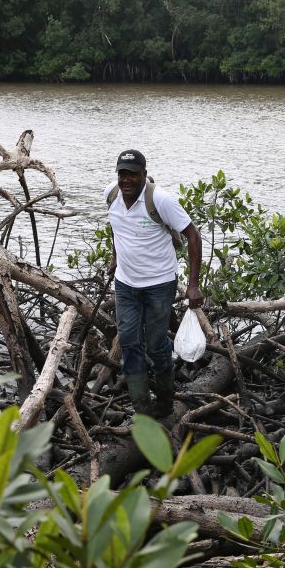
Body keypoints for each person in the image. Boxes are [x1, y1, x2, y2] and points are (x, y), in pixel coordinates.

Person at [104, 149, 203, 419]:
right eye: (122, 173)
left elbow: (193, 236)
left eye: (133, 174)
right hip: (125, 285)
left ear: (144, 175)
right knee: (128, 341)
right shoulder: (111, 194)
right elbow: (117, 228)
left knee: (156, 344)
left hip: (159, 285)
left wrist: (193, 285)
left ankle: (165, 404)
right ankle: (142, 409)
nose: (127, 180)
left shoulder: (160, 200)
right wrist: (115, 257)